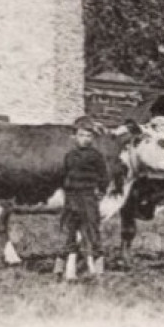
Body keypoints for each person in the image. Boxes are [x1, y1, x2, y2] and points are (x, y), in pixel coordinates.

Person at [60, 119, 110, 282]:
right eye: (81, 135)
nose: (85, 139)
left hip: (88, 196)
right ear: (74, 137)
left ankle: (97, 267)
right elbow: (65, 174)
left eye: (89, 135)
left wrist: (100, 191)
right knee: (71, 229)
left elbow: (104, 176)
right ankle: (68, 268)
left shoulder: (96, 156)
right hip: (72, 196)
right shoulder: (69, 156)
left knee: (91, 228)